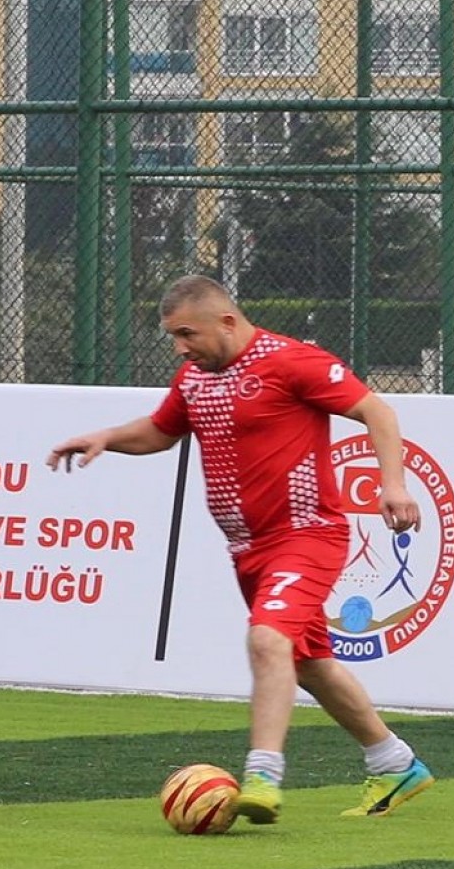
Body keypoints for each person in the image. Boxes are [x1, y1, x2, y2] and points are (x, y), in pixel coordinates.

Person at [46, 275, 433, 823]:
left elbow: (378, 412)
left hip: (306, 536)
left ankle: (263, 774)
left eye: (187, 333)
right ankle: (395, 762)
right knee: (310, 664)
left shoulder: (293, 361)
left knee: (267, 639)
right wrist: (107, 438)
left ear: (227, 321)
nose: (180, 346)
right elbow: (161, 431)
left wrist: (393, 485)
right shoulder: (194, 379)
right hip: (247, 550)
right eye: (173, 337)